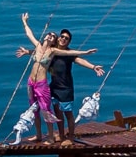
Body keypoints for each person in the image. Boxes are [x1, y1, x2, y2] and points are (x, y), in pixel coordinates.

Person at [20, 13, 97, 144]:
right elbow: (30, 36)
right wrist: (25, 22)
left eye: (66, 38)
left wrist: (87, 56)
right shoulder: (41, 48)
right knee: (37, 109)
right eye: (61, 36)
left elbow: (72, 54)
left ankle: (67, 137)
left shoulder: (54, 52)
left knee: (57, 112)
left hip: (58, 87)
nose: (63, 39)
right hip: (44, 85)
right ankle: (49, 135)